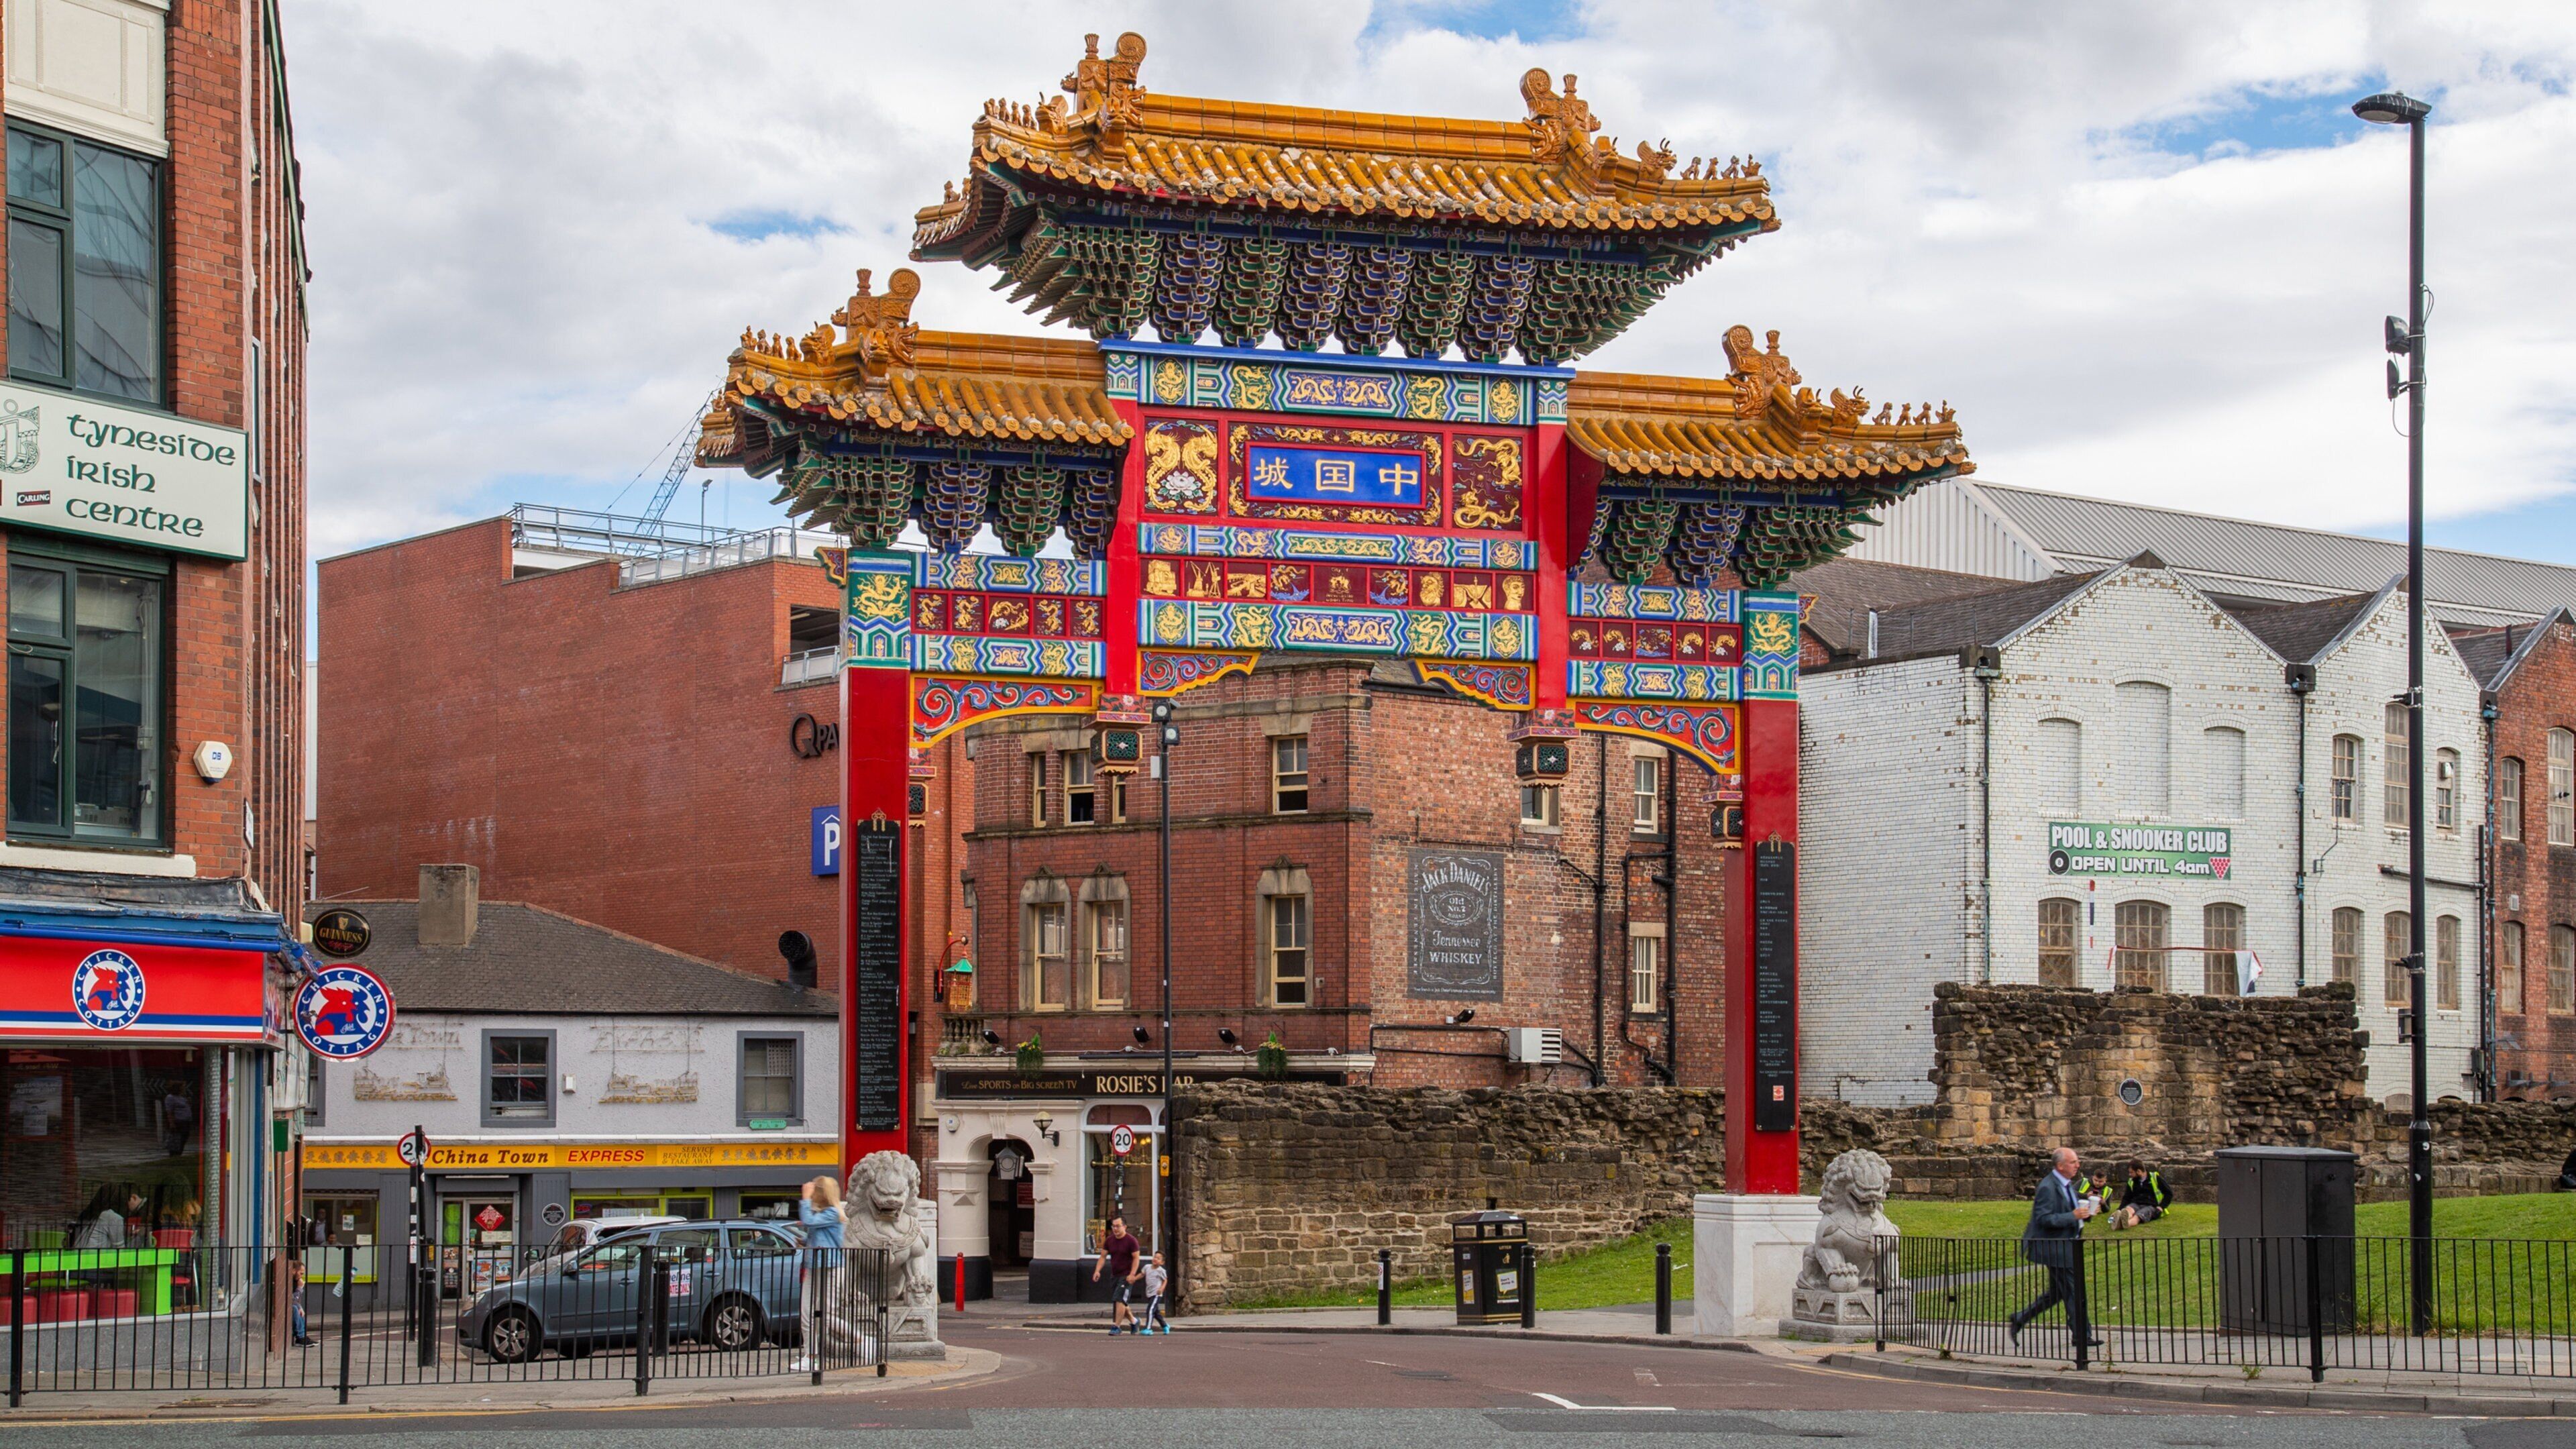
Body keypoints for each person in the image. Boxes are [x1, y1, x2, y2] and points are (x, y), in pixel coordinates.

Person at [2008, 1147, 2102, 1352]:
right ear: (2060, 1166)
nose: (2077, 1165)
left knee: (2057, 1293)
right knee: (2075, 1292)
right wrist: (2074, 1216)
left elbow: (2069, 1209)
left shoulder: (2066, 1185)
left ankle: (2019, 1318)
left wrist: (2086, 1213)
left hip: (2067, 1246)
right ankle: (2082, 1337)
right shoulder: (2048, 1187)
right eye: (2073, 1162)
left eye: (2077, 1161)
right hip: (2056, 1249)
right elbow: (2044, 1219)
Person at [792, 1175, 844, 1373]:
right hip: (815, 1265)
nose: (811, 1195)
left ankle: (861, 1340)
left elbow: (810, 1222)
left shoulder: (833, 1213)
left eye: (815, 1192)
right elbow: (819, 1233)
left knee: (827, 1315)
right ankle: (810, 1356)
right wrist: (805, 1243)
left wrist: (805, 1199)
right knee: (807, 1312)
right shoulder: (821, 1214)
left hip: (831, 1266)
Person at [1093, 1214, 1142, 1334]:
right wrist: (1097, 1270)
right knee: (1120, 1301)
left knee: (1119, 1300)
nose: (1115, 1229)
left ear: (1125, 1227)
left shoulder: (1131, 1241)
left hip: (1127, 1276)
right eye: (1113, 1226)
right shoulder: (1110, 1240)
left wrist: (1132, 1274)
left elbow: (1136, 1258)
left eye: (1118, 1226)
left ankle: (1116, 1326)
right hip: (1115, 1275)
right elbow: (1103, 1257)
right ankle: (1134, 1321)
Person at [2107, 1162, 2173, 1230]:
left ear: (2139, 1171)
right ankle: (2120, 1218)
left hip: (2151, 1205)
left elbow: (2169, 1193)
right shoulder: (2131, 1181)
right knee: (2128, 1210)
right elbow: (2127, 1198)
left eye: (2131, 1172)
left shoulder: (2155, 1178)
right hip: (2136, 1203)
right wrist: (2119, 1209)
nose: (2130, 1175)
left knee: (2138, 1216)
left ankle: (2125, 1224)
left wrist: (2161, 1207)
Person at [1139, 1252, 1169, 1336]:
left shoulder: (1161, 1271)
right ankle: (1165, 1326)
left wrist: (1161, 1289)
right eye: (1155, 1257)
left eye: (1159, 1258)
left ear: (1162, 1262)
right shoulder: (1147, 1267)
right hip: (1149, 1293)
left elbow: (1165, 1280)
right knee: (1156, 1313)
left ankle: (1148, 1328)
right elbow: (1142, 1274)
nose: (1156, 1259)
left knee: (1150, 1310)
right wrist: (1134, 1279)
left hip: (1157, 1293)